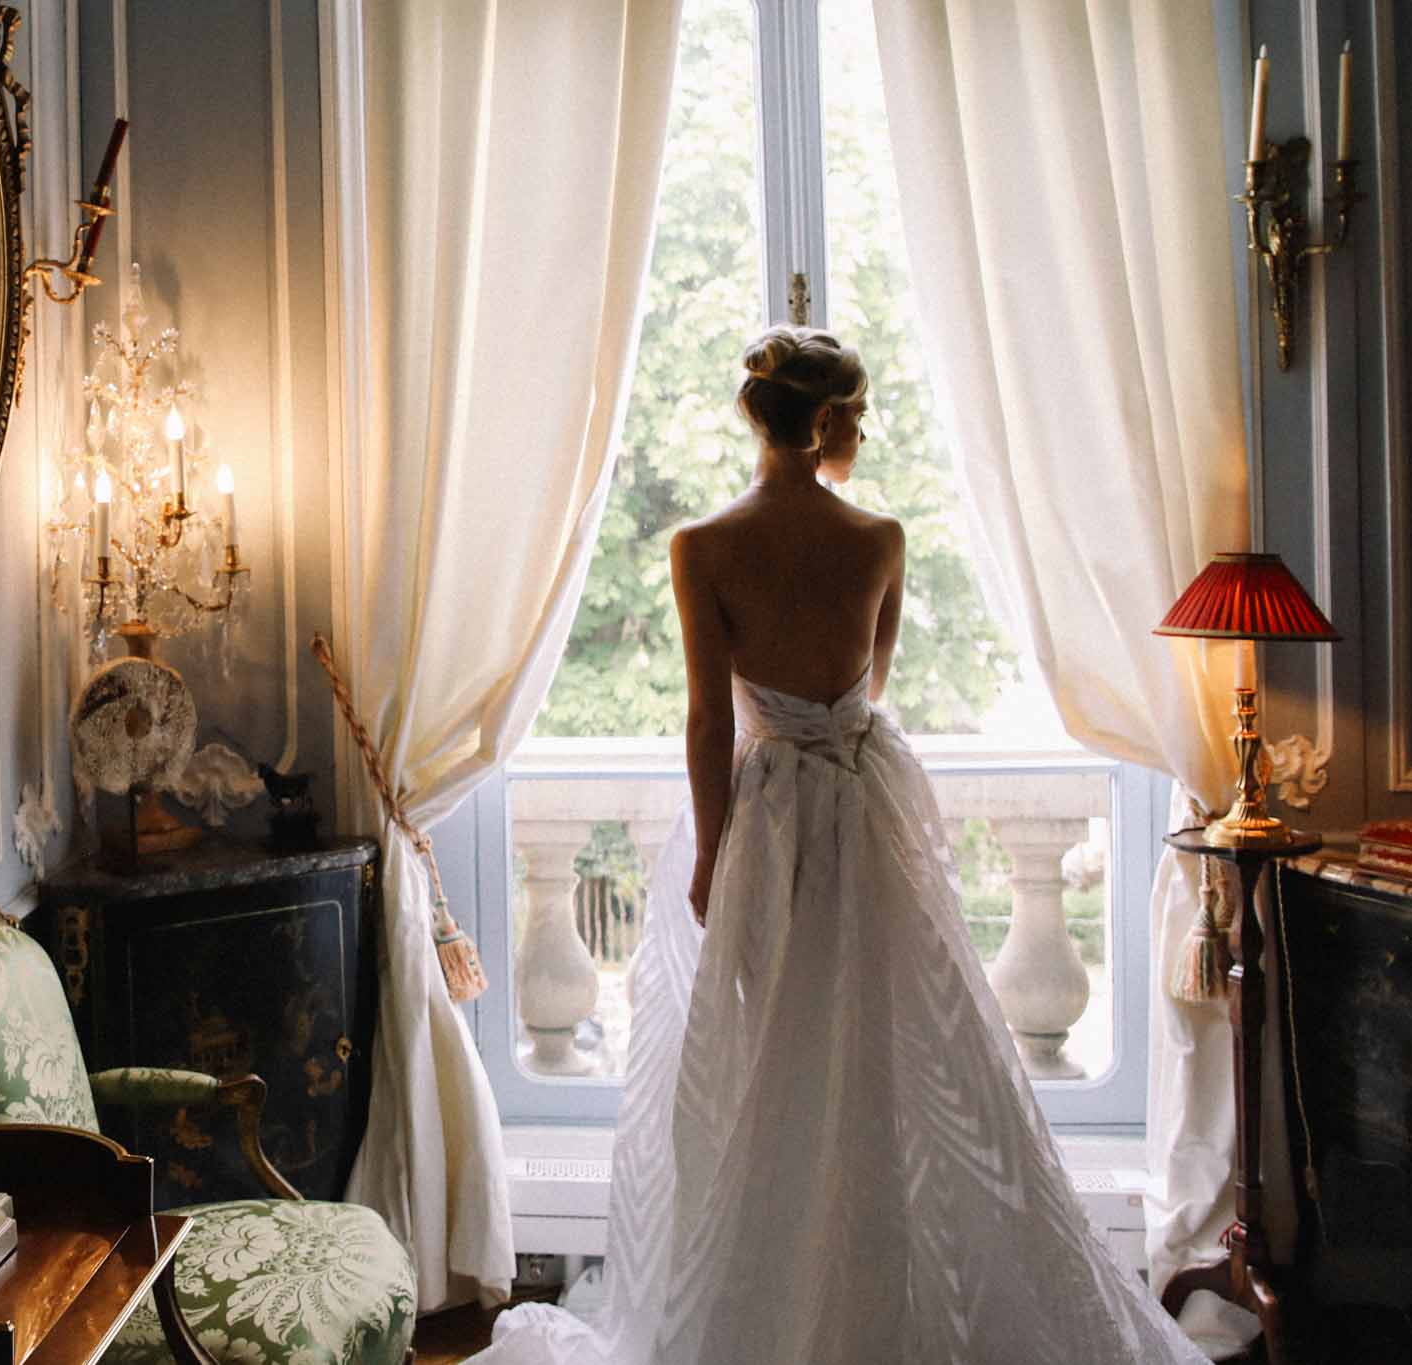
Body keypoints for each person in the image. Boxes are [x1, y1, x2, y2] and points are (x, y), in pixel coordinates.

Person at [467, 327, 1210, 1364]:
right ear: (822, 422)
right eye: (853, 412)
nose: (859, 428)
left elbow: (708, 723)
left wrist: (709, 852)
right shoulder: (879, 538)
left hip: (769, 815)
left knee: (775, 1040)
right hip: (868, 806)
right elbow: (872, 688)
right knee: (892, 1029)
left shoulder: (703, 546)